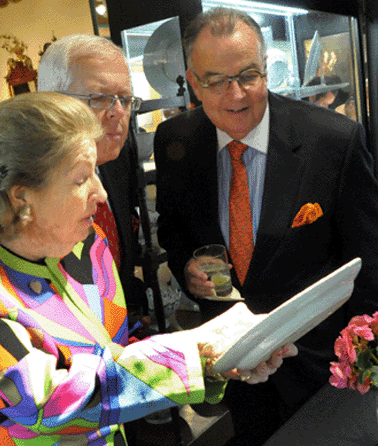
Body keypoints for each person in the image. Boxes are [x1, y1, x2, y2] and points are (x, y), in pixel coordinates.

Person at [0, 92, 296, 446]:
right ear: (22, 197)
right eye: (81, 179)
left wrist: (217, 358)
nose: (101, 193)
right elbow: (43, 402)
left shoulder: (86, 242)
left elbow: (115, 347)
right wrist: (192, 352)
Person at [154, 6, 378, 446]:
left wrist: (363, 361)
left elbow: (369, 258)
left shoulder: (333, 140)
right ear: (193, 82)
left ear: (267, 70)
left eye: (248, 75)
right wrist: (188, 268)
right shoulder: (174, 140)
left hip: (321, 365)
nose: (236, 95)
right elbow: (174, 228)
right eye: (216, 80)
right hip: (235, 362)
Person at [37, 34, 148, 326]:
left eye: (125, 99)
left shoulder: (115, 156)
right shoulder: (15, 185)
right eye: (100, 99)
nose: (120, 112)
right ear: (53, 102)